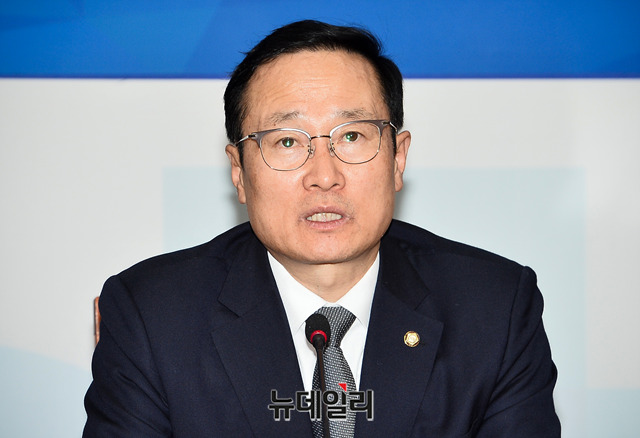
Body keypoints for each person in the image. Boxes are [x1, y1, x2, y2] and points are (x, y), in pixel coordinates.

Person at [83, 20, 560, 437]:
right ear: (238, 171)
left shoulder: (494, 308)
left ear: (398, 159)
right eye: (287, 142)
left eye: (351, 136)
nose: (324, 176)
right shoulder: (153, 316)